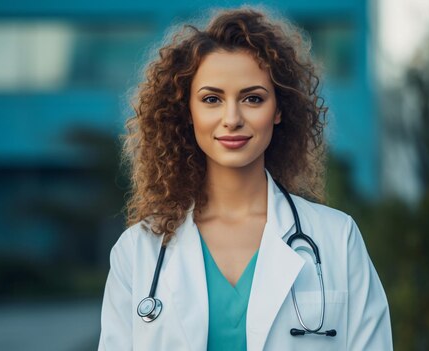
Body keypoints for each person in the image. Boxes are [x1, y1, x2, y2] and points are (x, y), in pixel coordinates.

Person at [98, 6, 392, 351]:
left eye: (253, 98)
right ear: (187, 112)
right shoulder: (138, 251)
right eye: (212, 99)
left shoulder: (337, 239)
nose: (232, 118)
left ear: (279, 110)